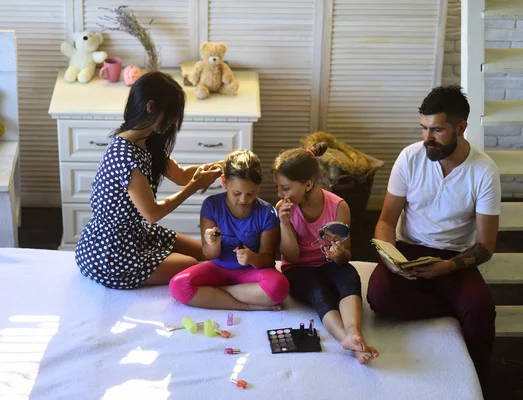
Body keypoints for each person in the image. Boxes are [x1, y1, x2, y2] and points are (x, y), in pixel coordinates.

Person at [366, 85, 500, 391]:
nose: (427, 138)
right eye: (424, 128)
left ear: (461, 128)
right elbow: (386, 221)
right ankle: (451, 307)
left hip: (453, 258)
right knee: (379, 298)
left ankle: (477, 388)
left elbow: (486, 245)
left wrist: (448, 267)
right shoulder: (410, 157)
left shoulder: (484, 171)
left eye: (437, 130)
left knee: (481, 313)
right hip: (408, 249)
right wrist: (390, 259)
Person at [75, 71, 222, 289]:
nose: (173, 122)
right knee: (192, 264)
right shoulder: (124, 155)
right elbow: (152, 214)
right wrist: (195, 187)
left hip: (136, 234)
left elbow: (181, 175)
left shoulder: (148, 140)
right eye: (171, 115)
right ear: (151, 107)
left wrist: (219, 167)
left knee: (205, 252)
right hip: (111, 252)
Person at [272, 143, 379, 364]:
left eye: (286, 188)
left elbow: (346, 256)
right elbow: (290, 257)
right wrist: (283, 222)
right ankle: (348, 340)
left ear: (308, 185)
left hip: (328, 263)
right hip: (298, 268)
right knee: (319, 292)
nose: (280, 194)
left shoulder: (338, 207)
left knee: (349, 276)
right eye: (279, 188)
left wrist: (338, 253)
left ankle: (354, 331)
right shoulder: (284, 209)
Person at [169, 149, 289, 310]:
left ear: (258, 187)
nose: (243, 200)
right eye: (237, 193)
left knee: (279, 286)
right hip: (218, 268)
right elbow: (209, 255)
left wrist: (252, 258)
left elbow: (268, 260)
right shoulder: (211, 206)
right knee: (178, 285)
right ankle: (249, 306)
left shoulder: (267, 213)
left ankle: (217, 293)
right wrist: (213, 243)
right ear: (224, 182)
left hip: (250, 273)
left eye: (251, 194)